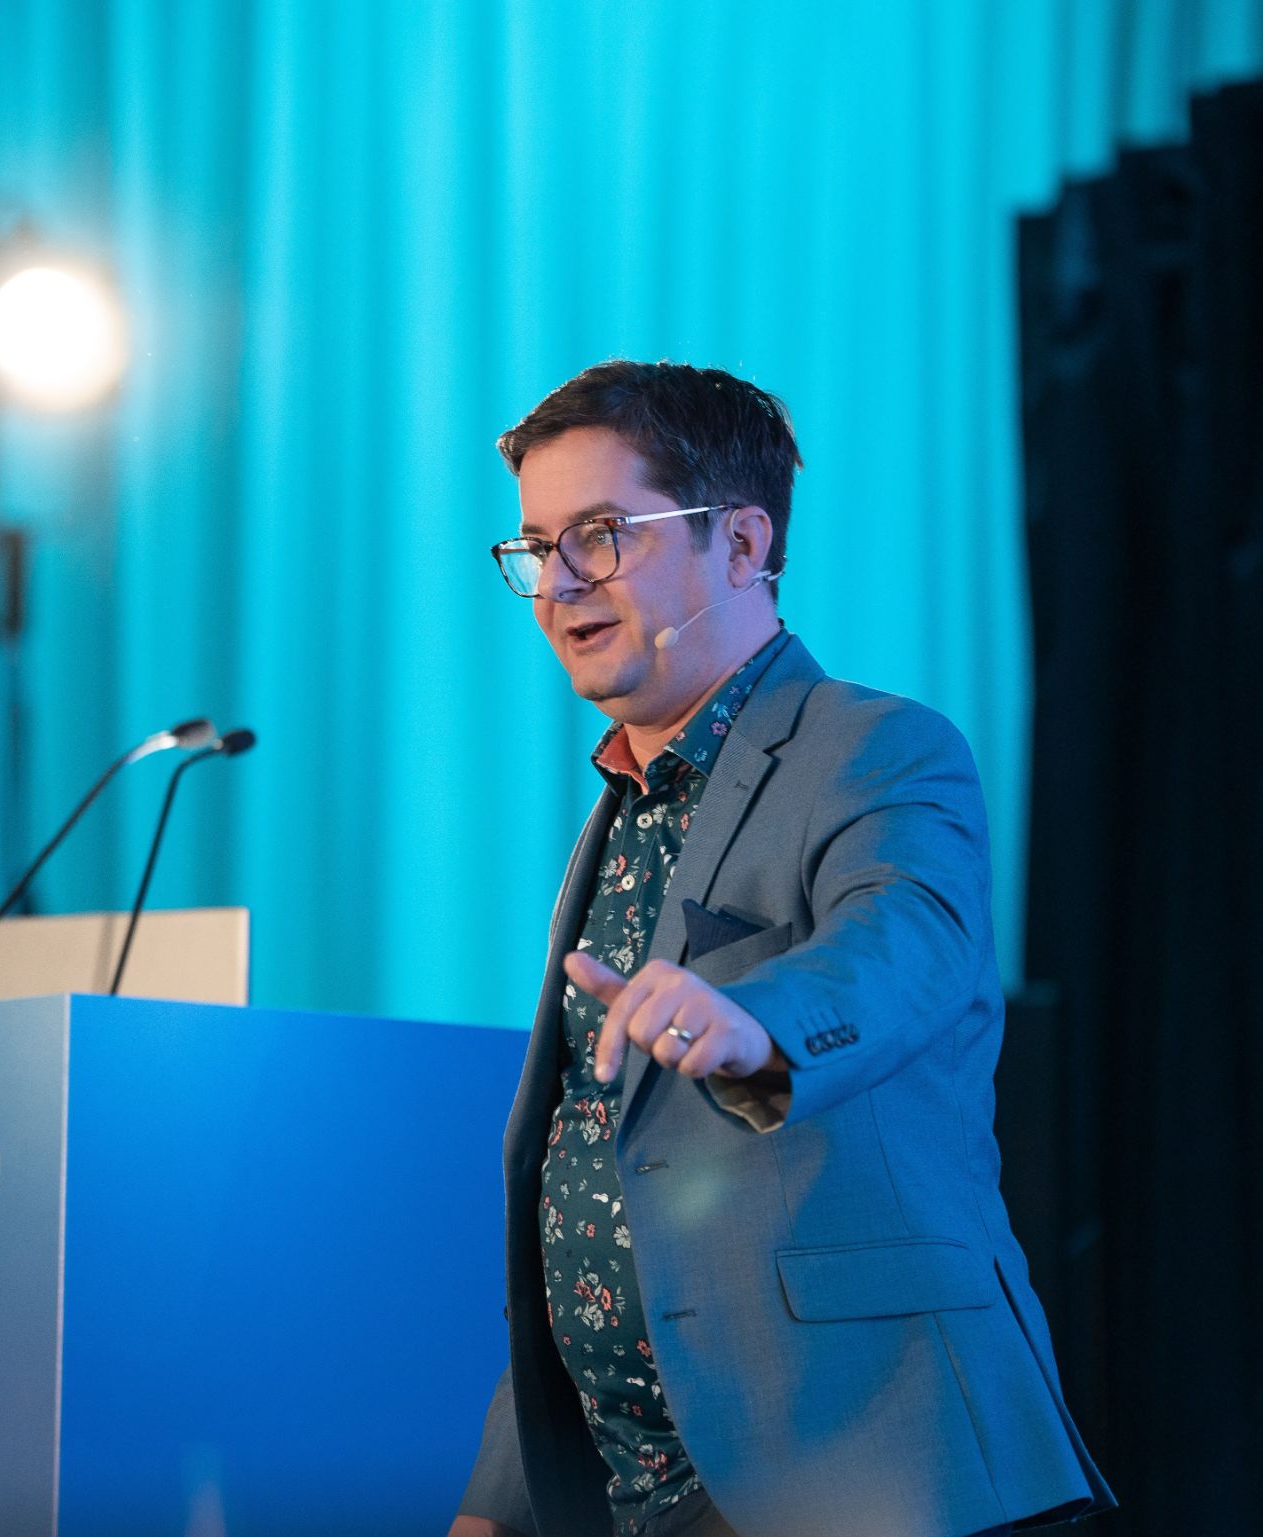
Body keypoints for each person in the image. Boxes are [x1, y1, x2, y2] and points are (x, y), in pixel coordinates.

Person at [450, 362, 1114, 1537]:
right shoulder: (617, 809)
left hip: (867, 1461)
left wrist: (756, 1024)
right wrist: (500, 1497)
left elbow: (909, 941)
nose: (558, 584)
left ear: (742, 544)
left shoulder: (876, 747)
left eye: (599, 536)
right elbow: (593, 1170)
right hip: (634, 1495)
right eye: (537, 547)